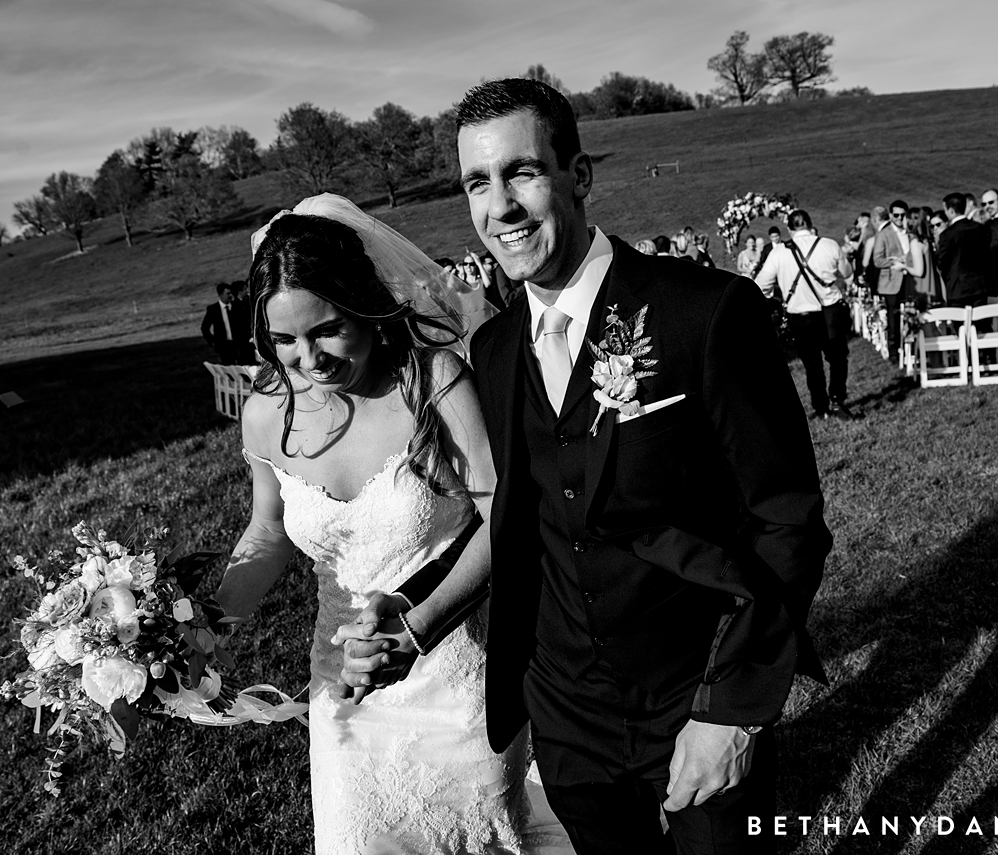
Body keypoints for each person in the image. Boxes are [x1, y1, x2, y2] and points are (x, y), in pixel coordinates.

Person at [338, 78, 831, 855]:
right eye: (477, 182)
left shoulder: (705, 312)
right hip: (568, 725)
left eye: (522, 172)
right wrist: (416, 623)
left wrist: (730, 710)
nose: (499, 205)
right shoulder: (494, 352)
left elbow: (788, 519)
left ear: (579, 175)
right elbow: (517, 517)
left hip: (694, 696)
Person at [213, 194, 567, 855]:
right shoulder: (266, 412)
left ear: (367, 309)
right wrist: (196, 626)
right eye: (284, 340)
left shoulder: (431, 380)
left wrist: (418, 624)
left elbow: (507, 518)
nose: (308, 359)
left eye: (326, 331)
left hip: (460, 679)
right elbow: (265, 533)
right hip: (343, 690)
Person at [756, 210, 857, 421]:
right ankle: (837, 399)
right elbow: (847, 273)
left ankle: (821, 407)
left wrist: (779, 294)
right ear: (810, 225)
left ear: (790, 229)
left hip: (800, 315)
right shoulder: (829, 245)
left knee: (812, 364)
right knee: (838, 358)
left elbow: (760, 285)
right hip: (830, 311)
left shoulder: (779, 252)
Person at [936, 192, 996, 309]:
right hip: (981, 286)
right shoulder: (981, 228)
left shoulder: (948, 234)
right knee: (981, 323)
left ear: (951, 211)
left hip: (958, 288)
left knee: (960, 325)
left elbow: (942, 263)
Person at [872, 199, 913, 362]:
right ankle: (894, 350)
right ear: (890, 215)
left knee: (910, 313)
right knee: (893, 316)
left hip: (911, 278)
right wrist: (897, 261)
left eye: (903, 215)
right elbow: (877, 260)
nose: (899, 218)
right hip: (891, 281)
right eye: (896, 215)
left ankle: (911, 346)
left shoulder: (910, 231)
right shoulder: (884, 234)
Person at [201, 282, 254, 365]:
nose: (230, 296)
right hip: (224, 346)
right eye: (227, 293)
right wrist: (213, 342)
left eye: (231, 293)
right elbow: (205, 327)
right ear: (220, 294)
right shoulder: (213, 309)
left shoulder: (237, 305)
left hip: (240, 344)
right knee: (230, 367)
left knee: (245, 366)